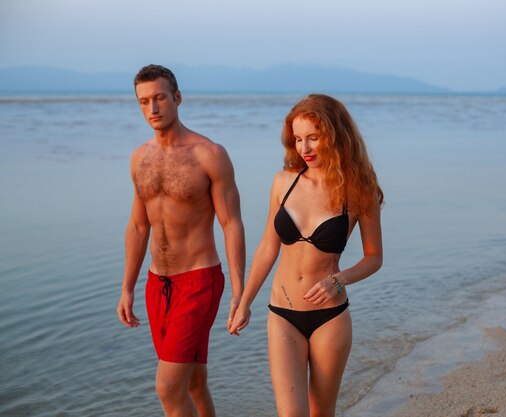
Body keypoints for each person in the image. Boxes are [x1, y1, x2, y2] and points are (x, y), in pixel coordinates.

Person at [229, 94, 383, 417]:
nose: (305, 148)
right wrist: (244, 301)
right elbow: (268, 246)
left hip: (330, 316)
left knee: (321, 412)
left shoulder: (359, 190)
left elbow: (373, 258)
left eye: (313, 137)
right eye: (298, 139)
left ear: (334, 135)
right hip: (283, 313)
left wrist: (339, 281)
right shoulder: (283, 182)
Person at [116, 64, 245, 417]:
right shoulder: (139, 158)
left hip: (199, 281)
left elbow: (231, 223)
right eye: (144, 102)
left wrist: (239, 292)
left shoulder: (209, 154)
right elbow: (138, 226)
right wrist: (127, 288)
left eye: (159, 98)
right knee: (193, 383)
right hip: (157, 284)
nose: (152, 109)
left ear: (177, 97)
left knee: (167, 388)